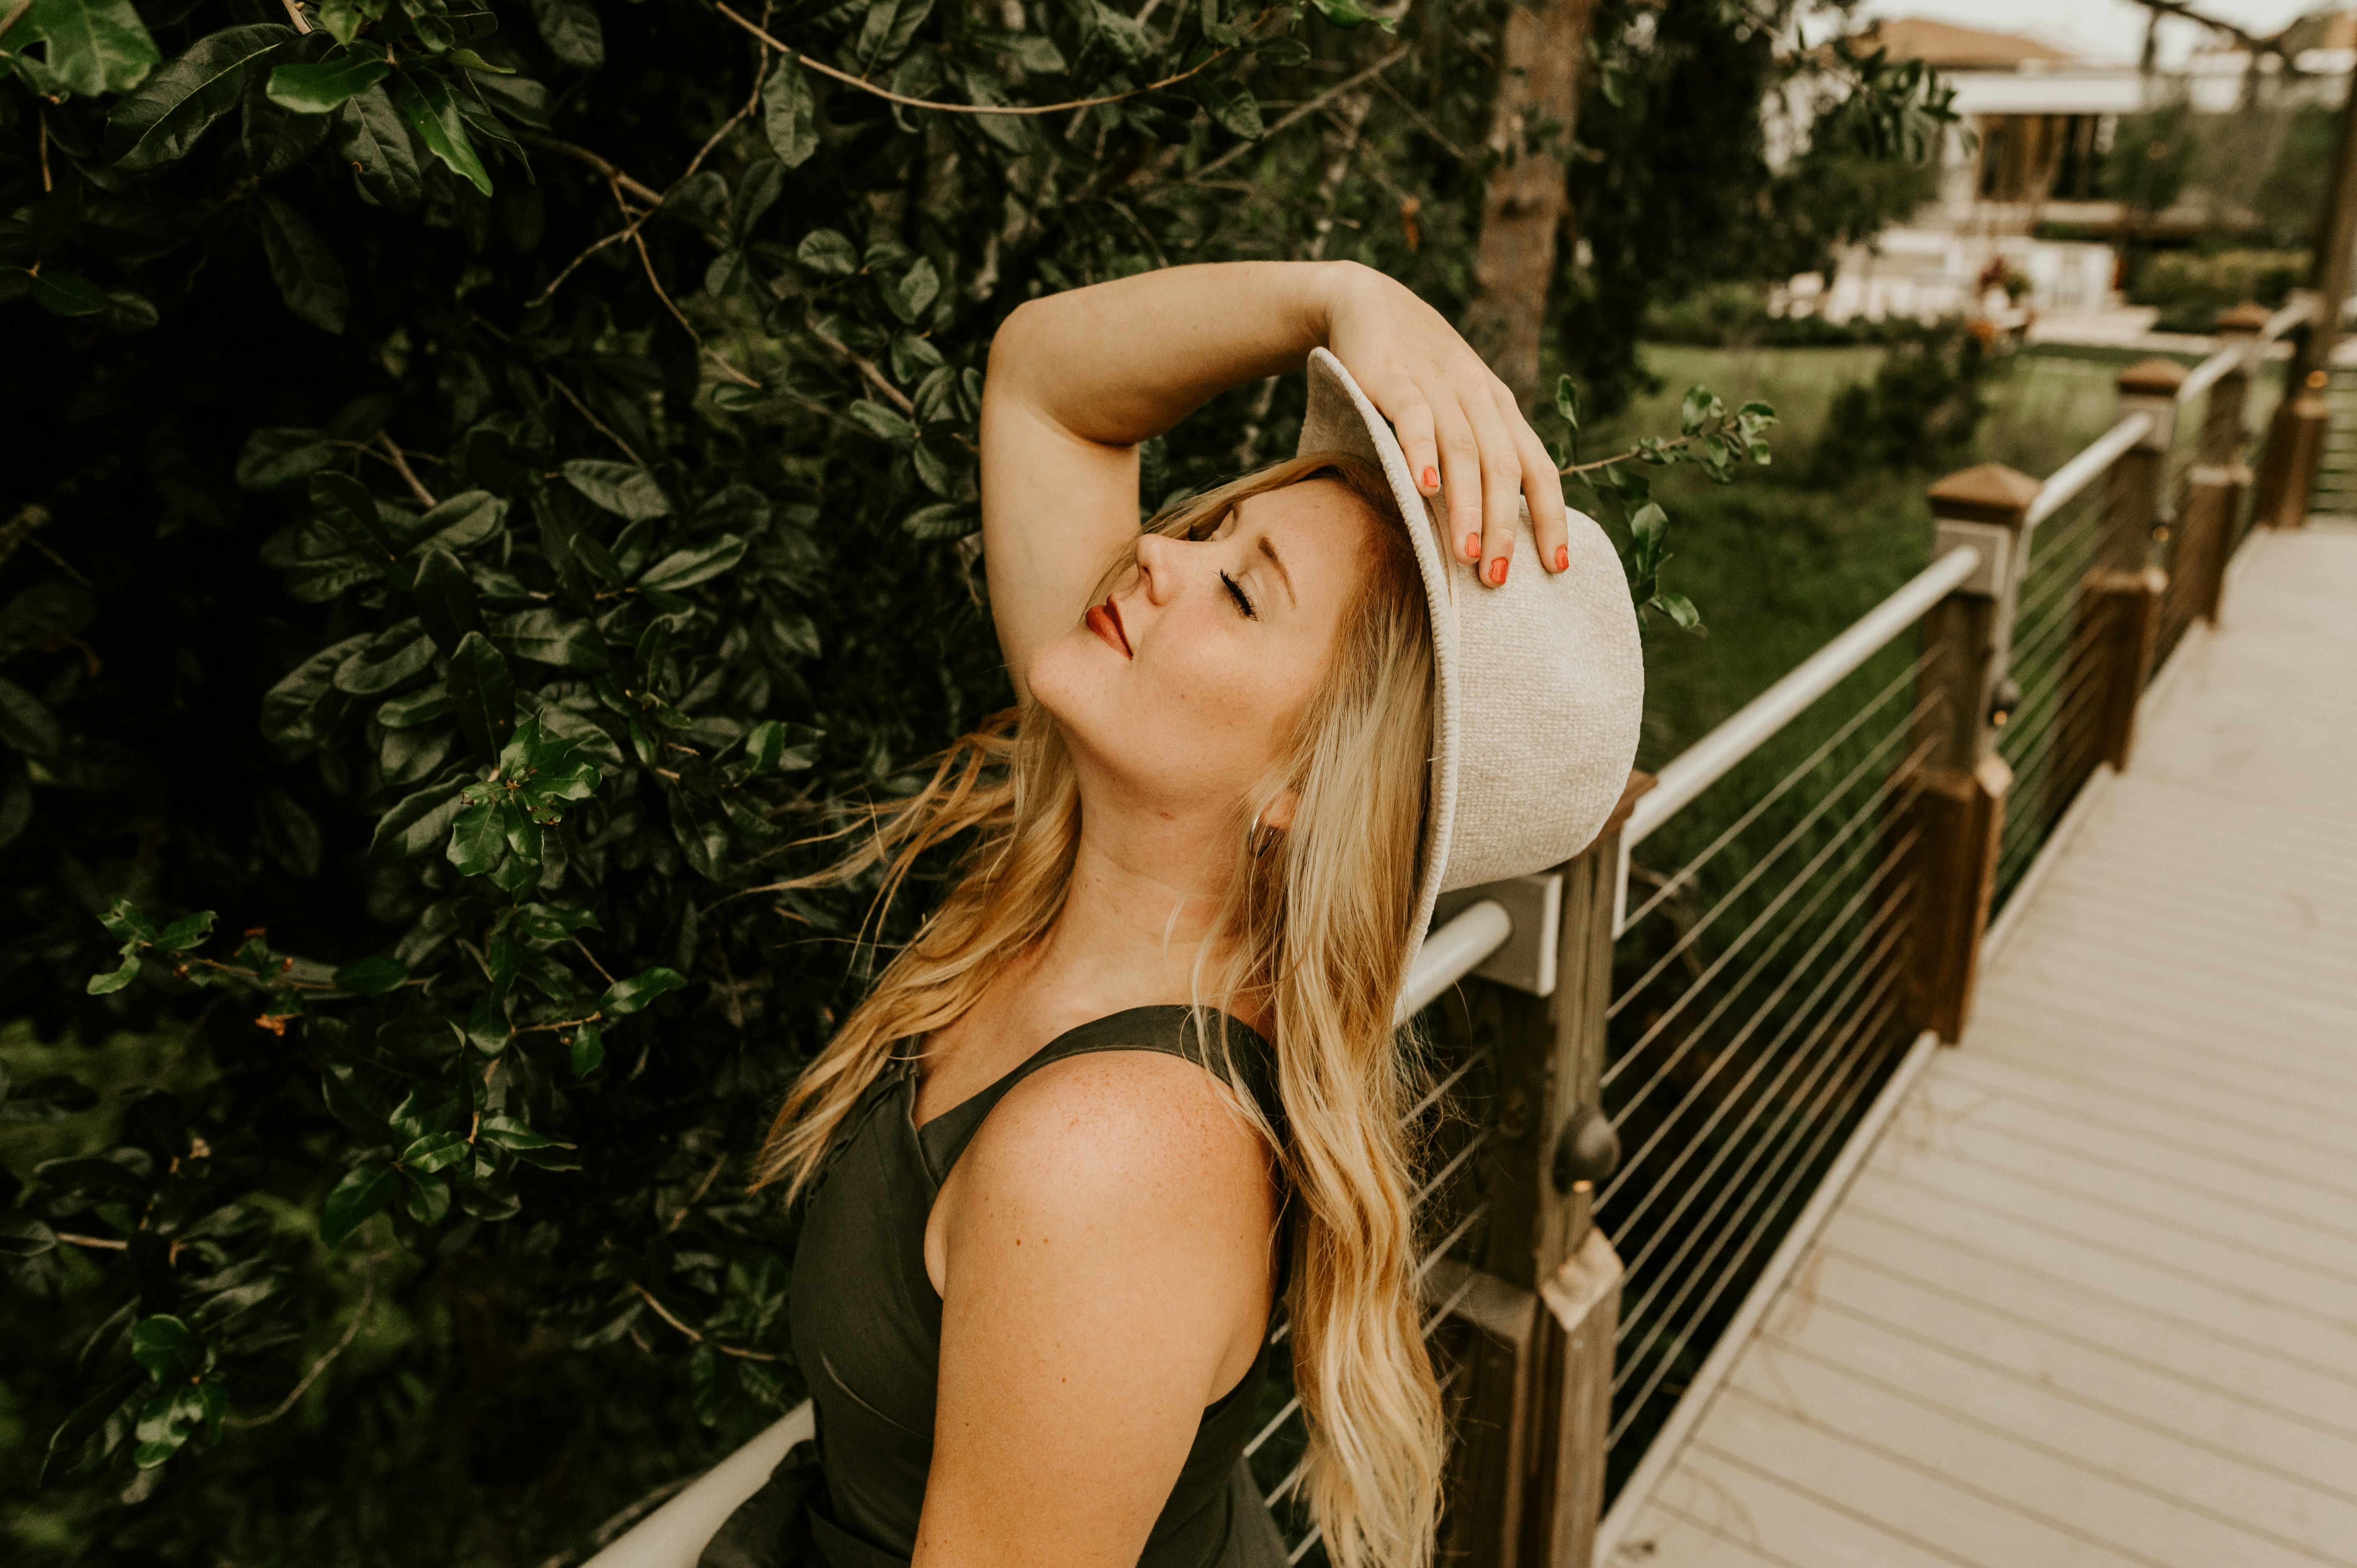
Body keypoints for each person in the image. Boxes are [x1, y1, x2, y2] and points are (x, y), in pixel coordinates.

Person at [723, 261, 1642, 1568]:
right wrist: (1338, 299)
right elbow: (1049, 387)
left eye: (1242, 588)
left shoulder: (1118, 1157)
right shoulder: (1098, 843)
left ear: (1306, 785)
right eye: (1216, 535)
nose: (1157, 552)